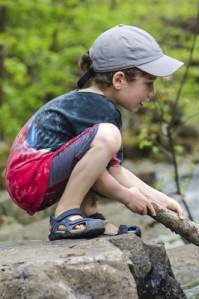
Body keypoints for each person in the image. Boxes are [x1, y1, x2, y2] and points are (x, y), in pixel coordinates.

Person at [3, 24, 184, 241]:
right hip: (29, 178)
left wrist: (160, 199)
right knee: (108, 136)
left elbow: (112, 171)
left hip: (30, 178)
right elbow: (103, 176)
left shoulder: (98, 105)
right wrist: (126, 197)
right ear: (119, 80)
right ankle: (65, 215)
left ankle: (88, 214)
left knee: (102, 146)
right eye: (148, 84)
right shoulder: (92, 107)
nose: (152, 93)